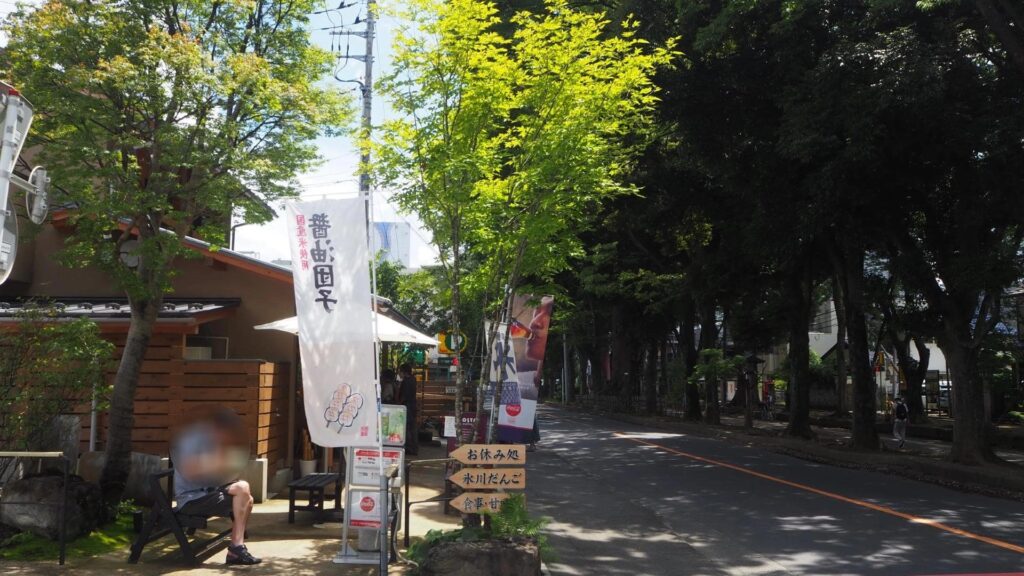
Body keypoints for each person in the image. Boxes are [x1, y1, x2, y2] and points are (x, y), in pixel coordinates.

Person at [171, 408, 261, 566]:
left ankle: (236, 547)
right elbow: (189, 468)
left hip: (207, 493)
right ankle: (236, 549)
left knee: (245, 492)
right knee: (245, 495)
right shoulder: (191, 442)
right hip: (191, 500)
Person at [397, 363, 419, 455]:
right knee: (412, 428)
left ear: (403, 372)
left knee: (406, 428)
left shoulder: (406, 381)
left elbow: (404, 396)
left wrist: (398, 404)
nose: (399, 374)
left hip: (407, 406)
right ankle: (414, 448)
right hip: (413, 406)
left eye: (400, 372)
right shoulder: (413, 379)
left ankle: (409, 448)